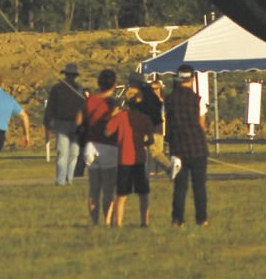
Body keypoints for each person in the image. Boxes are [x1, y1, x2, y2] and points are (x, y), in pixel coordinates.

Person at [164, 70, 209, 227]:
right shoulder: (198, 100)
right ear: (191, 79)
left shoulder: (169, 100)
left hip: (178, 149)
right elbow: (202, 125)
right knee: (199, 187)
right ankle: (202, 219)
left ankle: (177, 219)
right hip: (197, 148)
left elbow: (167, 124)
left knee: (180, 187)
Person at [107, 88, 154, 226]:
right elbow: (151, 139)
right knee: (143, 194)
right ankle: (144, 222)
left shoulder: (120, 117)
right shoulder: (144, 118)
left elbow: (108, 131)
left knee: (121, 195)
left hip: (123, 159)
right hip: (139, 158)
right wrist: (143, 142)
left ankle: (119, 222)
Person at [81, 68, 121, 226]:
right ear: (114, 84)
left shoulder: (90, 100)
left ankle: (94, 221)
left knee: (94, 188)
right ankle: (107, 220)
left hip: (91, 145)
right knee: (108, 189)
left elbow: (82, 119)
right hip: (108, 146)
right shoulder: (113, 102)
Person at [43, 62, 87, 185]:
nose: (70, 78)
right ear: (65, 75)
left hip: (76, 124)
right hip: (61, 123)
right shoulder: (57, 89)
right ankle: (61, 179)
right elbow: (50, 107)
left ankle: (70, 178)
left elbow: (85, 107)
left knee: (74, 153)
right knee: (62, 152)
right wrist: (47, 122)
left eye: (72, 76)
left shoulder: (80, 89)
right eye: (69, 75)